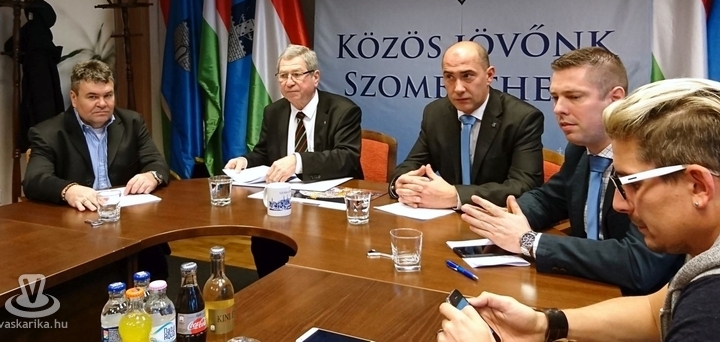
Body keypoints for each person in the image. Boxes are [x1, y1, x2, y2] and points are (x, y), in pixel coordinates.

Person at [437, 78, 720, 342]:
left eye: (631, 183)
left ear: (699, 186)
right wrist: (546, 324)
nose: (619, 203)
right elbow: (654, 311)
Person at [460, 48, 681, 294]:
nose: (558, 109)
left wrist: (529, 241)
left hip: (642, 302)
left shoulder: (654, 158)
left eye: (574, 97)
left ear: (616, 99)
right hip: (584, 285)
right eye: (555, 97)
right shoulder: (579, 150)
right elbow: (549, 199)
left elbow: (639, 263)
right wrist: (506, 217)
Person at [23, 59, 170, 277]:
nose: (102, 103)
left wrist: (151, 175)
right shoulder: (48, 133)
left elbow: (157, 162)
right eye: (92, 97)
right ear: (74, 98)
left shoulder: (132, 122)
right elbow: (34, 179)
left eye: (108, 95)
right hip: (78, 229)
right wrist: (68, 189)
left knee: (154, 265)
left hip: (129, 224)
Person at [225, 44, 362, 276]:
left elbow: (347, 158)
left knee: (322, 255)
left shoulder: (343, 110)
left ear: (315, 77)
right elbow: (264, 153)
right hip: (284, 201)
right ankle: (273, 292)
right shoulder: (274, 111)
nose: (289, 82)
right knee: (263, 240)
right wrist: (244, 161)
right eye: (283, 76)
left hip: (330, 204)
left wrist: (298, 161)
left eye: (296, 74)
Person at [390, 41, 544, 209]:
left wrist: (456, 196)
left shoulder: (522, 118)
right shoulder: (435, 113)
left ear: (489, 75)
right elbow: (413, 164)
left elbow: (525, 186)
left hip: (494, 217)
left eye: (467, 76)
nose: (458, 88)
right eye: (449, 77)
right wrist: (401, 183)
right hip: (444, 218)